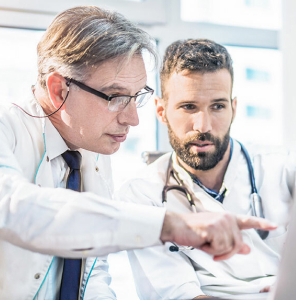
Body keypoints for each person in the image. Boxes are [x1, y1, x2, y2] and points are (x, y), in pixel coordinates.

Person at [0, 7, 276, 299]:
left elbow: (92, 272)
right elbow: (16, 209)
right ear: (58, 89)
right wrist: (169, 225)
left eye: (136, 97)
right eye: (116, 97)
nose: (132, 119)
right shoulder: (3, 130)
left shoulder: (92, 148)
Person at [118, 39, 295, 299]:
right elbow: (181, 295)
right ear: (161, 110)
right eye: (189, 106)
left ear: (233, 109)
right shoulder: (142, 195)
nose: (203, 126)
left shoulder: (282, 169)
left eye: (218, 106)